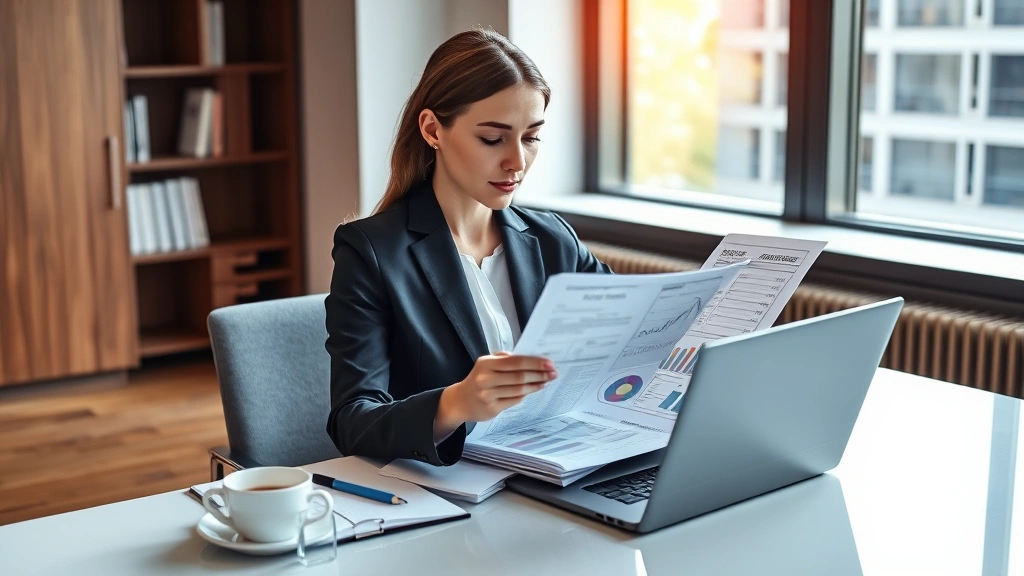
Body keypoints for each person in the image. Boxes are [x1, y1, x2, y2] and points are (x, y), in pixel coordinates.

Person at [325, 29, 611, 467]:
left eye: (531, 137)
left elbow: (626, 332)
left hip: (560, 468)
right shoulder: (371, 253)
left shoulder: (554, 239)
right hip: (451, 492)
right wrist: (456, 403)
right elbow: (352, 422)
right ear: (432, 129)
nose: (516, 160)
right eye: (493, 139)